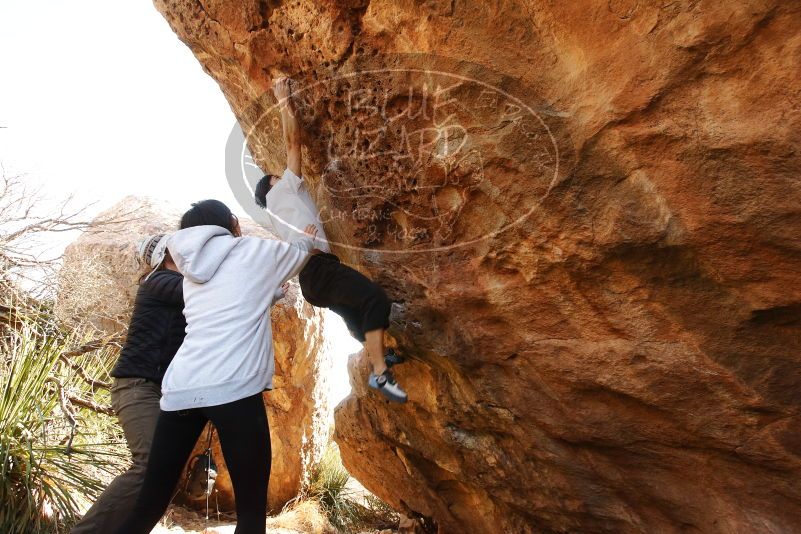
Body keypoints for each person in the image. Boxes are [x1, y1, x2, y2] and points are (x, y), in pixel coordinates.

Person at [113, 200, 315, 534]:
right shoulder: (249, 249)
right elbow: (297, 254)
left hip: (181, 389)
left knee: (149, 503)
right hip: (234, 389)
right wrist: (306, 238)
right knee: (251, 515)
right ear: (233, 223)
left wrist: (269, 295)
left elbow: (225, 302)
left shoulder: (189, 272)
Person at [255, 77, 407, 403]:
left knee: (356, 318)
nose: (284, 175)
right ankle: (380, 370)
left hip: (313, 282)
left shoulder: (278, 216)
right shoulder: (281, 192)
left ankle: (377, 359)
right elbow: (293, 144)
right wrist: (285, 101)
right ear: (271, 186)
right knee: (374, 300)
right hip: (318, 270)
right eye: (278, 176)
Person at [71, 234, 185, 534]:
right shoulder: (159, 282)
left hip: (159, 391)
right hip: (137, 387)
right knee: (150, 466)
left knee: (163, 475)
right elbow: (207, 293)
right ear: (166, 255)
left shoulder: (175, 284)